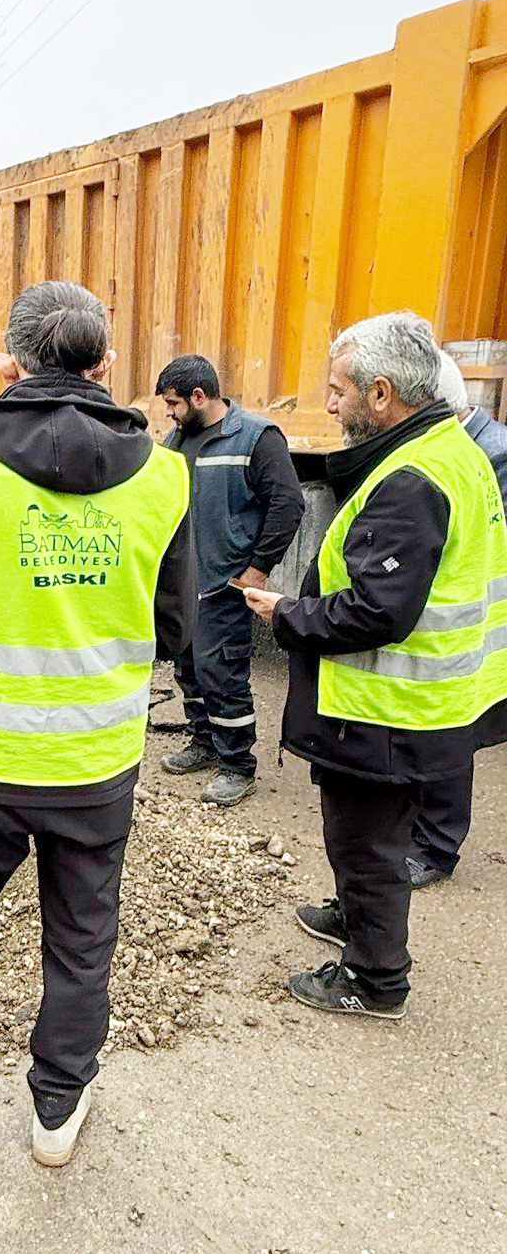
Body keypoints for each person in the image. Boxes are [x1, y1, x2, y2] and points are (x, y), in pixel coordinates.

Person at [0, 280, 195, 1176]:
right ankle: (57, 1112)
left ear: (9, 361)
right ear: (105, 366)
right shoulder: (165, 473)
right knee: (82, 937)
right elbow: (176, 630)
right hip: (97, 763)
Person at [246, 313, 507, 1019]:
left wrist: (285, 617)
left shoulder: (411, 478)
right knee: (373, 839)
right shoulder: (451, 448)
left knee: (366, 842)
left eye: (337, 390)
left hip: (388, 710)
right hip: (425, 703)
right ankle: (358, 914)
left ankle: (374, 978)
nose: (328, 404)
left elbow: (376, 611)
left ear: (383, 394)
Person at [156, 354, 304, 807]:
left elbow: (287, 505)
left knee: (223, 676)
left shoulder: (256, 438)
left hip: (225, 587)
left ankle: (237, 766)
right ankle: (203, 743)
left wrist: (254, 572)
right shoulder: (175, 441)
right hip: (185, 585)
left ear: (200, 397)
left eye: (174, 403)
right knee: (189, 671)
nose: (169, 413)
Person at [403, 351, 507, 887]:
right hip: (453, 625)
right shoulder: (470, 447)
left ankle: (438, 848)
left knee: (450, 742)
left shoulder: (488, 453)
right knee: (436, 737)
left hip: (468, 627)